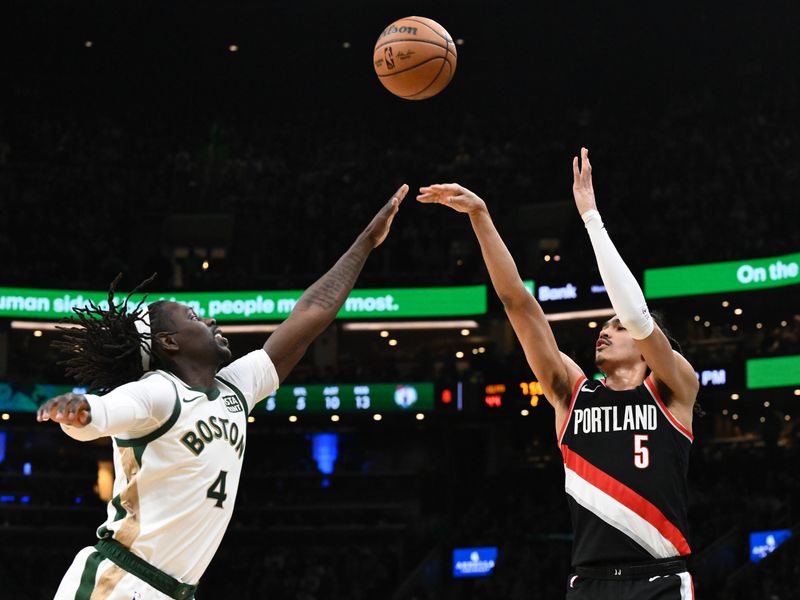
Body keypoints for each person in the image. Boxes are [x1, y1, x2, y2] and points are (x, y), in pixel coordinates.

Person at [36, 184, 408, 600]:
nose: (210, 320)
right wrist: (78, 411)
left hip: (173, 591)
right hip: (118, 584)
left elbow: (309, 316)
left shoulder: (234, 388)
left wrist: (366, 243)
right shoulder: (159, 392)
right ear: (169, 343)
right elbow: (103, 413)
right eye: (193, 316)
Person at [417, 149, 698, 599]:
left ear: (647, 349)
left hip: (660, 579)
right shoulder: (572, 393)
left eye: (617, 327)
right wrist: (480, 216)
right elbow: (517, 303)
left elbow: (639, 315)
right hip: (587, 583)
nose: (605, 331)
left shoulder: (673, 387)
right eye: (604, 326)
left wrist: (590, 218)